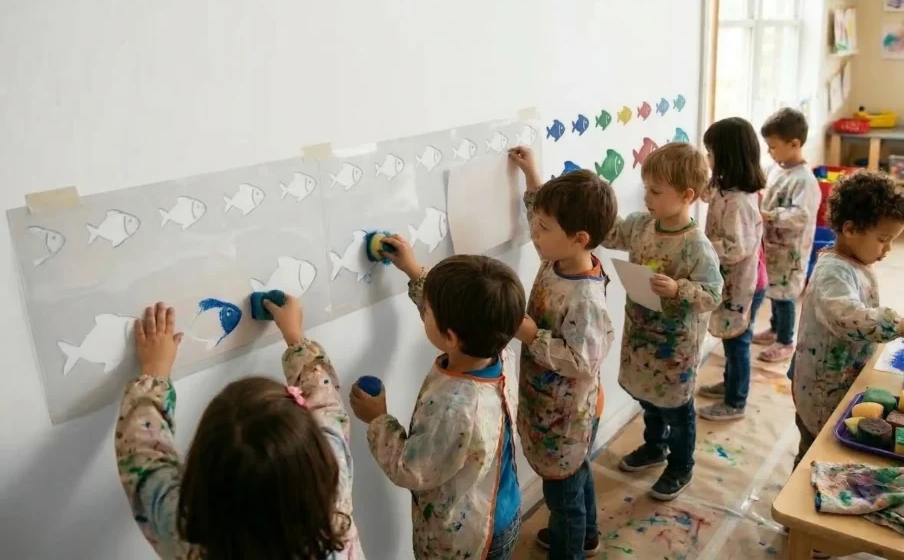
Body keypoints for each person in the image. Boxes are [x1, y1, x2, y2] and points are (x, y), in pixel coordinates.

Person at [114, 298, 364, 560]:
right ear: (319, 461)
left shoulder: (184, 534)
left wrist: (154, 372)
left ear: (200, 476)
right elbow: (327, 407)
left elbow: (142, 455)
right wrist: (295, 337)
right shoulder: (334, 497)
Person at [349, 250, 524, 560]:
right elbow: (457, 317)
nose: (424, 313)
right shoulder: (495, 349)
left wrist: (378, 419)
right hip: (502, 511)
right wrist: (415, 272)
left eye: (427, 310)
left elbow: (411, 469)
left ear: (451, 336)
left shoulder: (455, 409)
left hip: (468, 541)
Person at [509, 146, 616, 559]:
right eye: (535, 223)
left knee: (562, 495)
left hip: (567, 415)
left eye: (543, 228)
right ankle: (587, 535)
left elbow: (582, 362)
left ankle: (572, 542)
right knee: (575, 473)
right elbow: (545, 207)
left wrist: (531, 333)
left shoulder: (585, 297)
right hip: (550, 406)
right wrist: (533, 175)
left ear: (579, 238)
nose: (534, 233)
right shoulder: (561, 254)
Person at [601, 142, 723, 501]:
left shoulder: (696, 246)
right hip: (641, 339)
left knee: (676, 407)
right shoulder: (641, 225)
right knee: (647, 397)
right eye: (646, 189)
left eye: (655, 191)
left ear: (686, 195)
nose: (647, 198)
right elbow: (610, 234)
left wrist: (677, 288)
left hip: (674, 349)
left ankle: (681, 464)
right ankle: (655, 446)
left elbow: (713, 295)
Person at [792, 170, 904, 469]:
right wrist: (897, 325)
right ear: (851, 229)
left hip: (843, 375)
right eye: (883, 239)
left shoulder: (854, 261)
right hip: (822, 389)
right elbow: (848, 317)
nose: (888, 249)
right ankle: (798, 503)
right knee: (817, 453)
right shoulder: (833, 271)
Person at [696, 117, 767, 421]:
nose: (708, 159)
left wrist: (700, 247)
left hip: (745, 284)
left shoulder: (740, 201)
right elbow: (705, 193)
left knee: (738, 342)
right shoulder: (725, 186)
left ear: (727, 156)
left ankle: (736, 401)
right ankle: (730, 385)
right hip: (736, 281)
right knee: (731, 338)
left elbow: (736, 249)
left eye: (710, 153)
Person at [753, 108, 822, 365]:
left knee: (785, 296)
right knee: (774, 291)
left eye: (773, 147)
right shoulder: (776, 169)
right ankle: (774, 328)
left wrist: (769, 215)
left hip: (790, 251)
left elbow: (800, 216)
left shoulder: (805, 180)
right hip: (772, 246)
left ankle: (785, 340)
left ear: (794, 144)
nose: (770, 152)